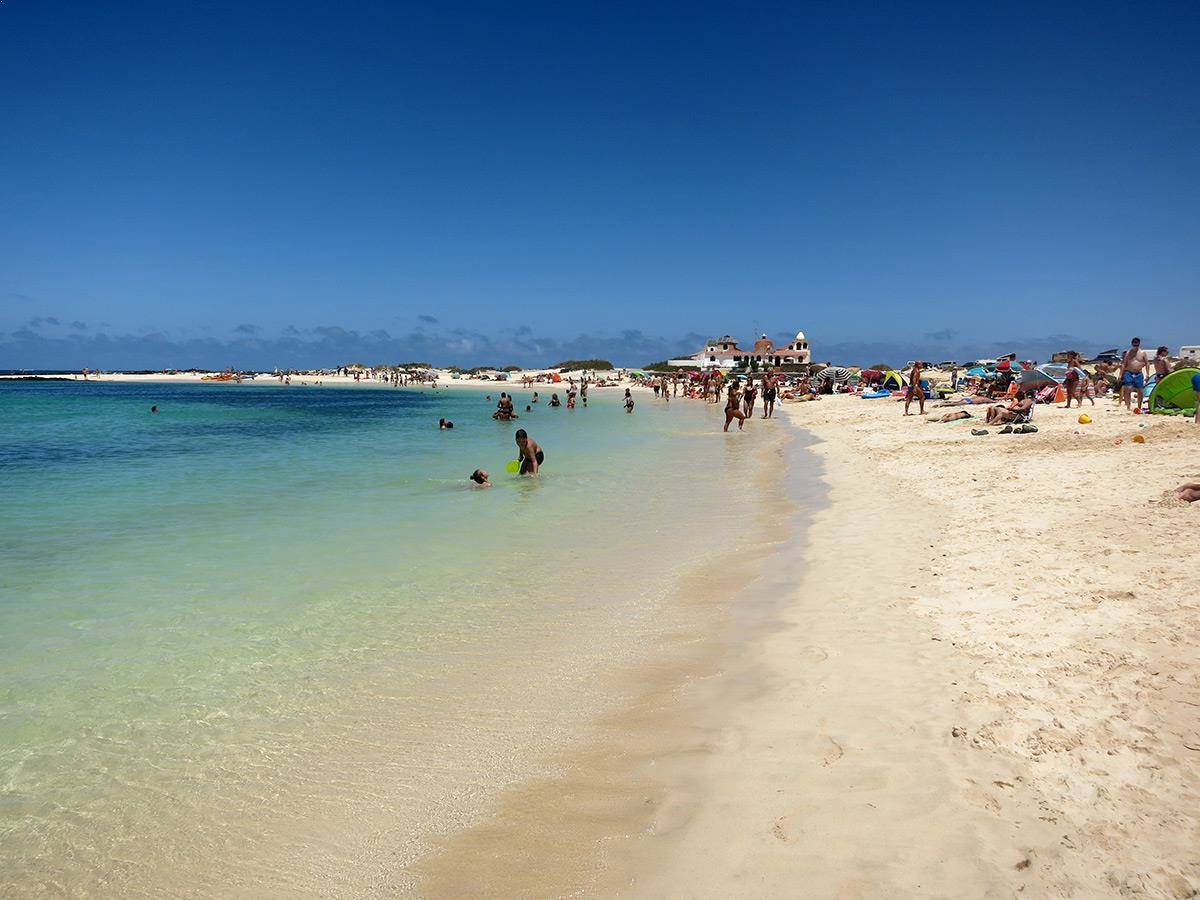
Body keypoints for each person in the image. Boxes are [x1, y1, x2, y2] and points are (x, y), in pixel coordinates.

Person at [1117, 337, 1150, 411]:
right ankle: (1128, 406)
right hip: (1129, 372)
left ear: (1139, 344)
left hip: (1138, 373)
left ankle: (1139, 406)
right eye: (1134, 344)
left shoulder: (1143, 353)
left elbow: (1147, 363)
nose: (1136, 346)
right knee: (1128, 389)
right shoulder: (1128, 353)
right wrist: (1120, 375)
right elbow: (1123, 364)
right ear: (1132, 344)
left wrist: (1147, 374)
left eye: (1137, 345)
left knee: (1140, 390)